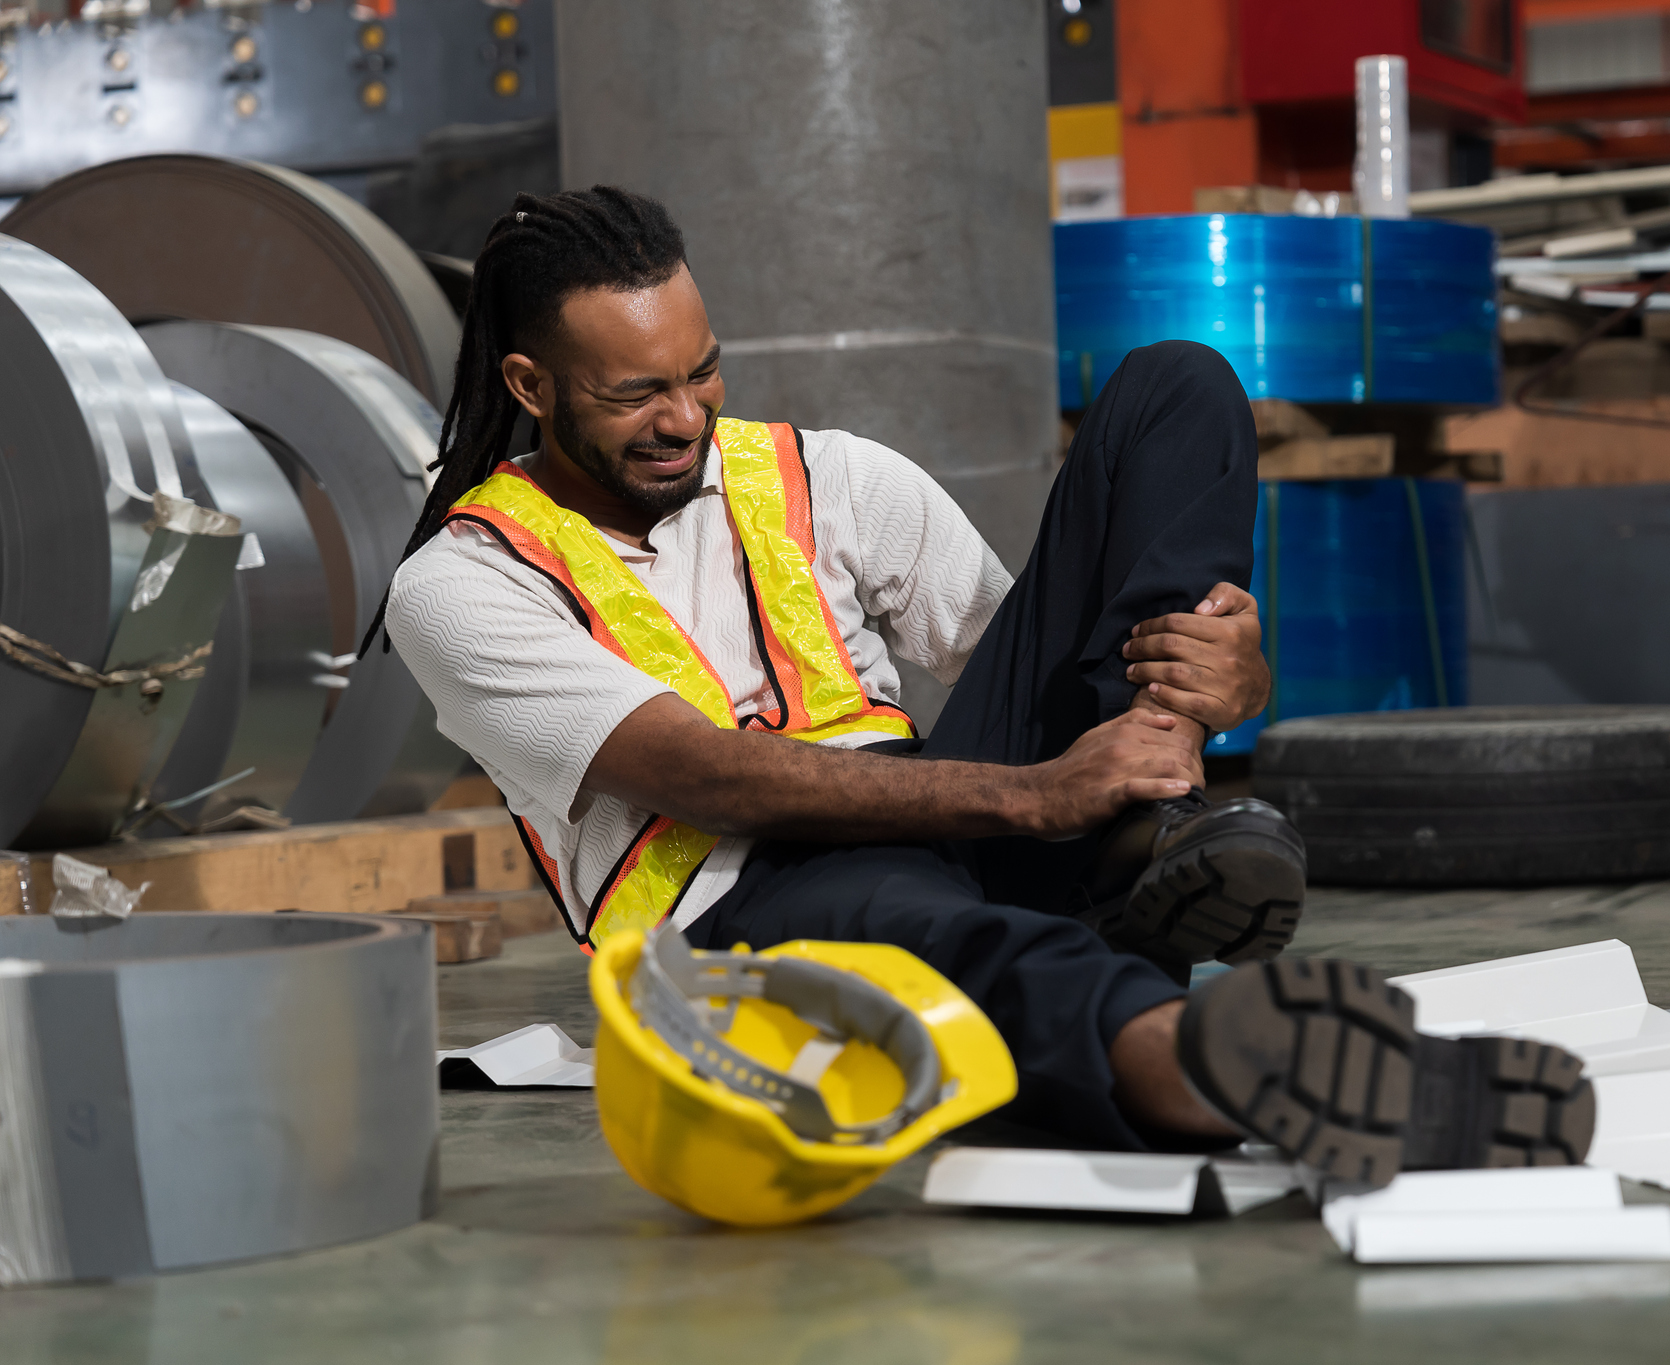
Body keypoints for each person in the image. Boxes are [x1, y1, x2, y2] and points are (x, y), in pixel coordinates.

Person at [376, 187, 1595, 1180]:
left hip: (952, 804)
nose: (684, 416)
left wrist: (1216, 676)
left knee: (1175, 384)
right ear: (534, 389)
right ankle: (1209, 1060)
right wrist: (1040, 801)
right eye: (635, 392)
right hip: (745, 904)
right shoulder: (460, 585)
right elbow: (706, 775)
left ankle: (1152, 825)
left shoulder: (828, 475)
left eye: (702, 373)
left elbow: (1043, 654)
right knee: (950, 940)